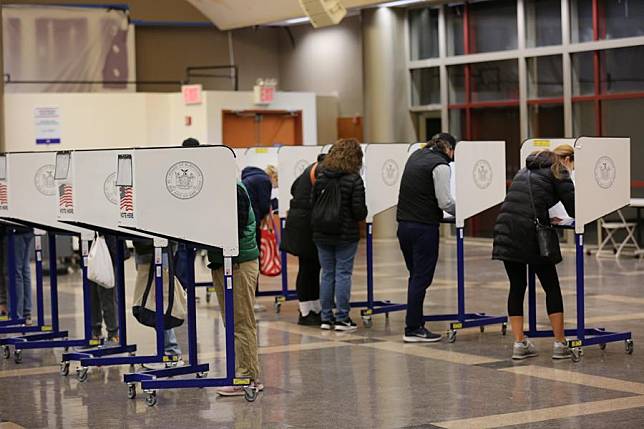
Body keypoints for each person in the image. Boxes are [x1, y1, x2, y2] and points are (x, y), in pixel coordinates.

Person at [492, 150, 575, 360]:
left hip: (505, 230)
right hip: (532, 235)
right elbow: (575, 207)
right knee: (551, 286)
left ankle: (519, 344)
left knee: (517, 286)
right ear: (563, 161)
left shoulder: (523, 172)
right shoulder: (559, 172)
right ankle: (560, 344)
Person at [396, 133, 457, 343]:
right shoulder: (441, 166)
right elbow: (445, 202)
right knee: (421, 278)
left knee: (415, 277)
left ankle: (416, 323)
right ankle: (412, 328)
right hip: (423, 227)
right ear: (449, 149)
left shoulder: (415, 156)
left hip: (404, 225)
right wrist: (464, 211)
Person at [208, 180, 262, 396]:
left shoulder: (233, 188)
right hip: (224, 261)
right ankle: (246, 375)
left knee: (241, 321)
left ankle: (246, 378)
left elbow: (234, 227)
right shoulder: (221, 187)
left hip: (238, 262)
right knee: (233, 321)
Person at [312, 139, 367, 332]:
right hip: (345, 234)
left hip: (321, 233)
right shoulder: (354, 179)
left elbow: (313, 204)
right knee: (343, 273)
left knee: (327, 274)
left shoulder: (321, 176)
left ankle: (326, 318)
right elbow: (359, 212)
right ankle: (342, 317)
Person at [281, 154, 326, 325]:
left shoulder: (310, 170)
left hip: (300, 224)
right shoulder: (321, 171)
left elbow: (293, 189)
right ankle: (306, 311)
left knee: (310, 268)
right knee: (308, 269)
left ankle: (312, 308)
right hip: (305, 226)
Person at [89, 234, 123, 344]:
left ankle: (113, 333)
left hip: (108, 247)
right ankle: (96, 331)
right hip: (90, 244)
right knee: (92, 293)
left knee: (108, 292)